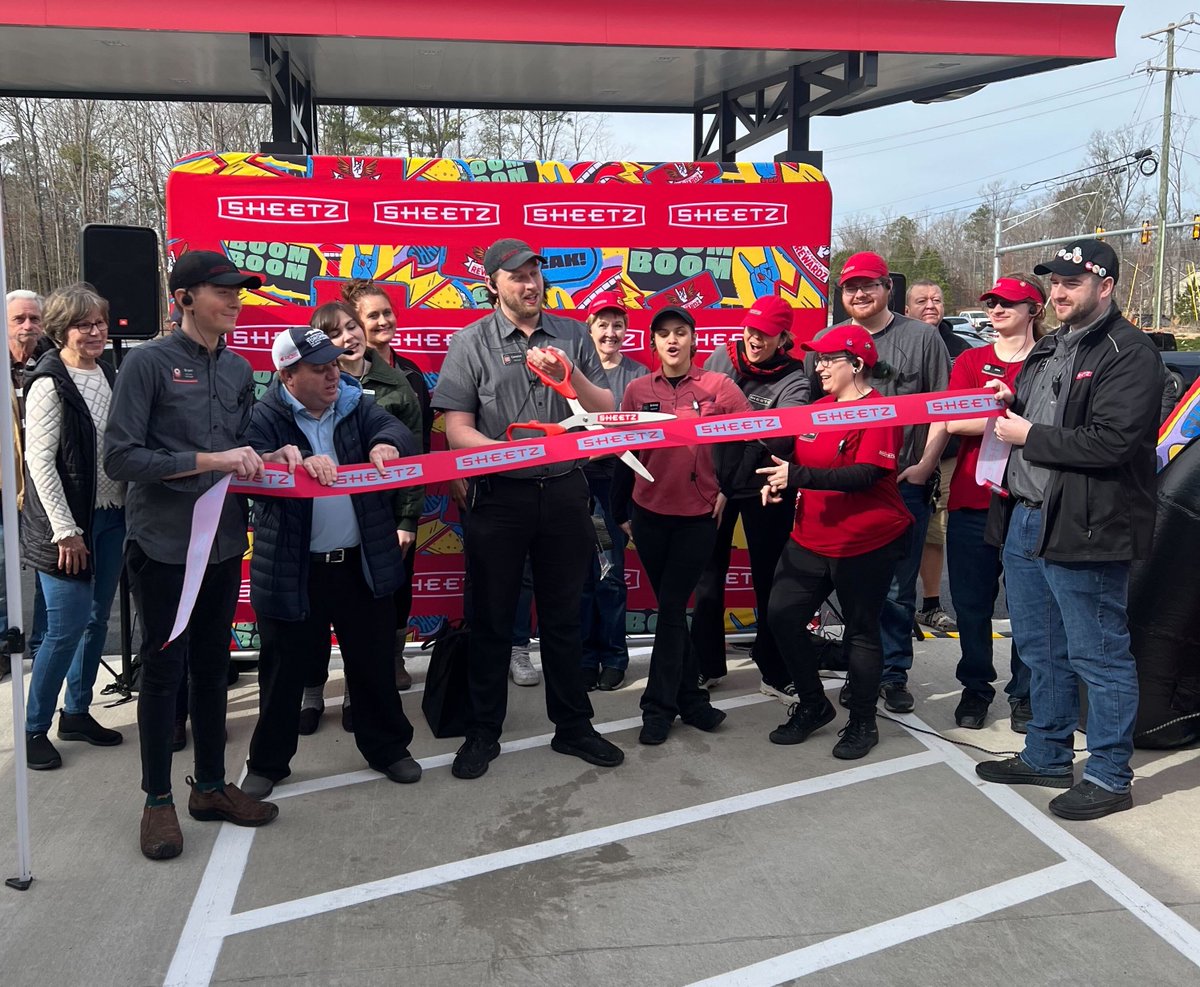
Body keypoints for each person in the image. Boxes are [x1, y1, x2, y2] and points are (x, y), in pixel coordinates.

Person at [975, 240, 1163, 820]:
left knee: (1098, 654)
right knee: (1040, 648)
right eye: (1054, 282)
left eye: (1072, 283)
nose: (1057, 292)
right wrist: (1013, 398)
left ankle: (1109, 776)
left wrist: (1029, 436)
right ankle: (1047, 754)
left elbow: (1113, 441)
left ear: (1105, 287)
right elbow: (1042, 412)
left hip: (1085, 526)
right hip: (1028, 516)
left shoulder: (1128, 352)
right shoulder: (1053, 346)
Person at [105, 249, 279, 860]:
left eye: (240, 291)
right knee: (163, 672)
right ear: (183, 298)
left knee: (213, 669)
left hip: (225, 542)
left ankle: (210, 787)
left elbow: (244, 443)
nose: (236, 300)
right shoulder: (148, 365)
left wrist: (276, 456)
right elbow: (120, 459)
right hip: (164, 545)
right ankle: (157, 801)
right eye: (222, 290)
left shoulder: (237, 369)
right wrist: (211, 462)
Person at [432, 237, 624, 780]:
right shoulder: (470, 342)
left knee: (564, 617)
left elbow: (605, 409)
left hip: (565, 491)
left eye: (535, 272)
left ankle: (574, 726)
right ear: (494, 282)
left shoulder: (569, 334)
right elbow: (456, 429)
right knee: (493, 618)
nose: (530, 282)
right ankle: (482, 731)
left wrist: (571, 376)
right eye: (517, 275)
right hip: (500, 497)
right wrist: (508, 453)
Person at [240, 327, 422, 798]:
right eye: (319, 369)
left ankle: (388, 748)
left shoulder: (354, 401)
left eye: (335, 366)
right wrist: (286, 460)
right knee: (282, 670)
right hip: (293, 567)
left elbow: (395, 426)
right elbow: (248, 457)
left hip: (359, 563)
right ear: (287, 375)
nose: (332, 376)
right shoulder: (264, 414)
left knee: (374, 662)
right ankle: (268, 761)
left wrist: (387, 443)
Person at [758, 325, 912, 759]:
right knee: (781, 617)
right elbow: (803, 461)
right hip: (810, 537)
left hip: (865, 540)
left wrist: (799, 476)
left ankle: (862, 721)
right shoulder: (818, 408)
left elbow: (866, 474)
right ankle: (813, 705)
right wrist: (782, 481)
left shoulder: (879, 410)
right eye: (817, 358)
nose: (819, 366)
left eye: (829, 359)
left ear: (858, 365)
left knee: (862, 632)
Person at [815, 252, 950, 714]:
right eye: (850, 287)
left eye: (868, 285)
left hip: (902, 484)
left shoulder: (922, 339)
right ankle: (860, 670)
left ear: (888, 288)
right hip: (845, 485)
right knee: (850, 585)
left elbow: (942, 409)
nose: (859, 294)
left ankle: (892, 674)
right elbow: (812, 418)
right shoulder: (826, 343)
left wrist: (927, 463)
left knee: (896, 589)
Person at [612, 306, 750, 744]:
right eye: (664, 334)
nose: (672, 341)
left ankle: (657, 708)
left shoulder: (718, 386)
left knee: (672, 609)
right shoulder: (635, 389)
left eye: (680, 333)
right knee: (673, 613)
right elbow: (623, 452)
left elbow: (751, 436)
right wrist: (620, 513)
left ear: (693, 339)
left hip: (697, 519)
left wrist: (728, 487)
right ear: (653, 343)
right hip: (649, 517)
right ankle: (692, 700)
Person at [296, 302, 424, 732]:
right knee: (309, 620)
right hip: (311, 531)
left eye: (352, 326)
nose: (349, 337)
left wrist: (406, 519)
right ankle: (311, 691)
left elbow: (410, 447)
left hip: (373, 523)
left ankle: (359, 692)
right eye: (335, 333)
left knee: (368, 618)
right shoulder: (289, 398)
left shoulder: (397, 384)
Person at [20, 284, 126, 769]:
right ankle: (33, 728)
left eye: (101, 322)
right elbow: (39, 464)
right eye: (85, 324)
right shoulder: (48, 382)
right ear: (63, 329)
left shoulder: (105, 373)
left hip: (110, 517)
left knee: (95, 620)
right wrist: (66, 530)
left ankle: (77, 712)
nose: (96, 331)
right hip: (66, 530)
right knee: (63, 629)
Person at [692, 294, 810, 699]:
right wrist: (714, 481)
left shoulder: (795, 377)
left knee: (769, 580)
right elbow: (699, 420)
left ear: (784, 337)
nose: (755, 339)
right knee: (708, 579)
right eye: (750, 330)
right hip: (714, 484)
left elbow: (771, 437)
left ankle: (772, 667)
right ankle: (705, 665)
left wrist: (731, 482)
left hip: (764, 485)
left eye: (766, 333)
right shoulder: (719, 361)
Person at [944, 274, 1041, 731]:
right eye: (992, 302)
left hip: (1027, 500)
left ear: (1033, 309)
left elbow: (1047, 423)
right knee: (971, 603)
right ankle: (975, 688)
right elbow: (950, 419)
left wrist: (986, 413)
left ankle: (1024, 692)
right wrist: (1007, 417)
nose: (997, 309)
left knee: (1027, 606)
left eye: (1008, 302)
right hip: (971, 497)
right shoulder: (970, 358)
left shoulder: (1047, 359)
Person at [340, 282, 432, 688]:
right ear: (353, 325)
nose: (382, 322)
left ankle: (393, 659)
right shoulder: (329, 374)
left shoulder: (410, 375)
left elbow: (420, 448)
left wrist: (408, 517)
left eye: (386, 313)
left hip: (396, 508)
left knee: (396, 585)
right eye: (371, 316)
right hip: (343, 509)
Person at [580, 291, 647, 691]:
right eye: (602, 325)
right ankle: (585, 657)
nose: (610, 332)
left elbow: (640, 437)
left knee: (608, 574)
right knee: (579, 577)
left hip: (613, 486)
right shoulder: (575, 372)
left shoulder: (637, 376)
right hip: (574, 484)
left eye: (617, 325)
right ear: (589, 330)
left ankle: (614, 656)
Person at [905, 280, 970, 634]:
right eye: (922, 300)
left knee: (934, 533)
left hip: (945, 459)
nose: (931, 305)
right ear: (906, 309)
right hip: (901, 458)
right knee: (899, 536)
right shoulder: (898, 343)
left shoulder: (960, 348)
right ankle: (897, 607)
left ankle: (930, 605)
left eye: (937, 299)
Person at [6, 290, 48, 663]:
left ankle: (42, 645)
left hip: (43, 487)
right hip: (4, 486)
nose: (28, 326)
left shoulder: (50, 364)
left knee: (48, 570)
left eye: (34, 318)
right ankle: (4, 649)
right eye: (19, 319)